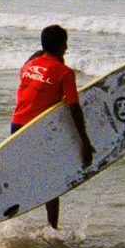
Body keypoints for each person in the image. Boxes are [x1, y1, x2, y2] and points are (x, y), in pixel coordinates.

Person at [12, 25, 94, 229]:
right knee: (51, 178)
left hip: (16, 126)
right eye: (65, 43)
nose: (67, 47)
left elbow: (34, 62)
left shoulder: (29, 66)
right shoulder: (65, 73)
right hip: (38, 129)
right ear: (62, 45)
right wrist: (84, 141)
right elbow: (74, 107)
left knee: (33, 172)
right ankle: (52, 228)